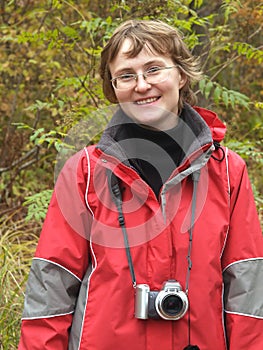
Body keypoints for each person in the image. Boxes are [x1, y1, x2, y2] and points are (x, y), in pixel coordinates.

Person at [18, 20, 263, 350]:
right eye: (127, 75)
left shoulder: (228, 173)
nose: (142, 85)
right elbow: (51, 293)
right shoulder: (85, 172)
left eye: (154, 69)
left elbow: (247, 295)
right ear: (114, 87)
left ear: (181, 74)